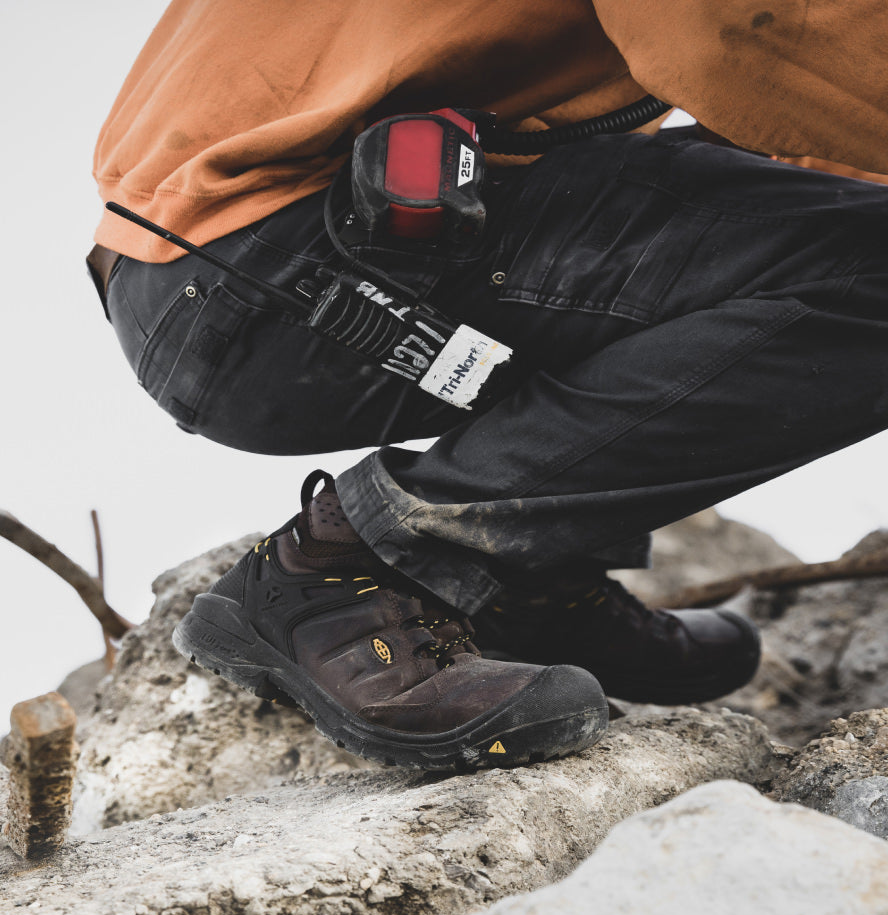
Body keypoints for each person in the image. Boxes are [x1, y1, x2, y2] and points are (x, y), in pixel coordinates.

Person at [88, 0, 888, 770]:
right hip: (290, 255)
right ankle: (351, 572)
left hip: (186, 262)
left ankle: (529, 586)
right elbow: (740, 32)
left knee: (741, 204)